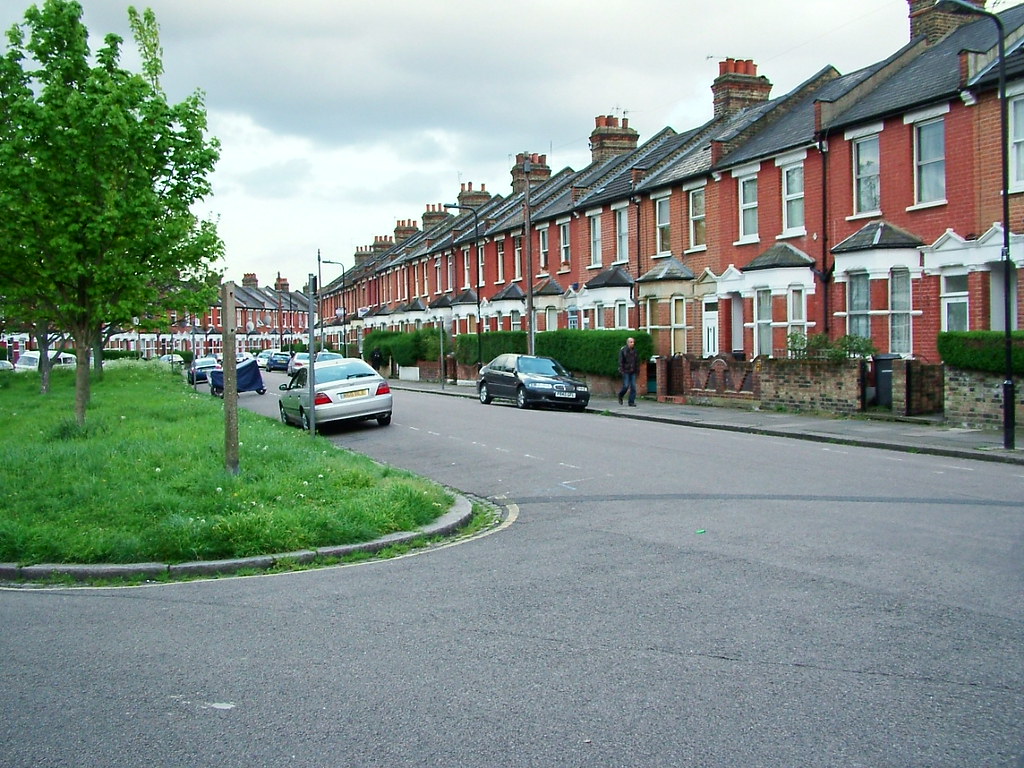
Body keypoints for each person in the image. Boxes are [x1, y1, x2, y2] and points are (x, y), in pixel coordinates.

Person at [617, 336, 639, 406]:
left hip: (633, 371)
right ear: (627, 343)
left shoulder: (635, 351)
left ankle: (631, 402)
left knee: (633, 387)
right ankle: (620, 395)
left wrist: (637, 370)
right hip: (626, 370)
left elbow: (637, 361)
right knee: (626, 386)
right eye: (631, 342)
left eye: (633, 342)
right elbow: (621, 361)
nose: (632, 343)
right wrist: (622, 369)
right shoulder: (623, 350)